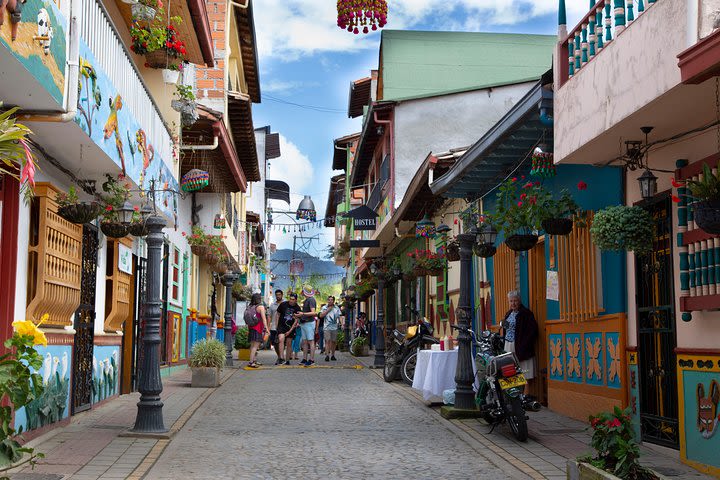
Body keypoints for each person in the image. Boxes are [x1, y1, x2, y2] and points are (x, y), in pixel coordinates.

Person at [500, 290, 538, 395]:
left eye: (515, 301)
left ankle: (525, 396)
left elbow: (533, 331)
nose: (513, 303)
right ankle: (513, 396)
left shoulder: (526, 314)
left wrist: (525, 344)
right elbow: (505, 328)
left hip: (521, 346)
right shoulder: (508, 314)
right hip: (509, 345)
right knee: (510, 371)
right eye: (511, 301)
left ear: (519, 301)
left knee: (525, 371)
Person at [295, 285, 318, 366]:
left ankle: (311, 360)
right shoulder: (307, 300)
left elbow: (314, 312)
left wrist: (302, 314)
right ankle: (305, 359)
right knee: (305, 342)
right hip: (304, 323)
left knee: (311, 341)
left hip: (309, 323)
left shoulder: (311, 300)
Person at [276, 292, 301, 365]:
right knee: (281, 339)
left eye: (293, 299)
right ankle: (281, 358)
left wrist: (290, 331)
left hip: (290, 327)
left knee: (289, 343)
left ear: (296, 300)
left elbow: (296, 321)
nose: (291, 300)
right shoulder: (283, 304)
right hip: (281, 326)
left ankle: (287, 360)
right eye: (290, 299)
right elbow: (277, 314)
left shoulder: (297, 308)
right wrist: (277, 325)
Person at [246, 293, 269, 368]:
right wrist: (266, 328)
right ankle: (251, 362)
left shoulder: (250, 306)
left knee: (252, 345)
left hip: (251, 327)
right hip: (258, 328)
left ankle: (254, 360)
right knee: (255, 346)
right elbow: (264, 318)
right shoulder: (260, 307)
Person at [319, 295, 343, 361]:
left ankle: (333, 355)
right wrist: (328, 310)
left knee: (334, 341)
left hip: (334, 327)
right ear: (327, 300)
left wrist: (342, 324)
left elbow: (339, 316)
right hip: (326, 327)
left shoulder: (337, 308)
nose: (330, 301)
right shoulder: (324, 307)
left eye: (331, 300)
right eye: (329, 300)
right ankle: (327, 355)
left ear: (333, 301)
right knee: (327, 340)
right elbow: (321, 316)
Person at [268, 289, 284, 365]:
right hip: (274, 327)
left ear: (282, 295)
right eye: (277, 295)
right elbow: (269, 316)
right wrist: (268, 327)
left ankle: (282, 357)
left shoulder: (285, 304)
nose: (278, 296)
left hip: (284, 327)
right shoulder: (272, 305)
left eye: (279, 295)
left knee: (282, 342)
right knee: (275, 343)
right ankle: (279, 356)